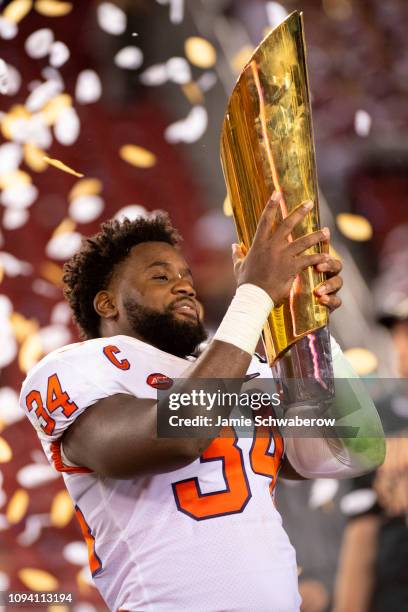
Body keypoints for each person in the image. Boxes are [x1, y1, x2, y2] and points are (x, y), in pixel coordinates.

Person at [20, 194, 382, 612]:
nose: (183, 284)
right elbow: (181, 432)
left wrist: (306, 321)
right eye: (160, 277)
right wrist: (255, 295)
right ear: (107, 303)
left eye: (186, 275)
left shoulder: (236, 368)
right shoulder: (80, 366)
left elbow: (348, 453)